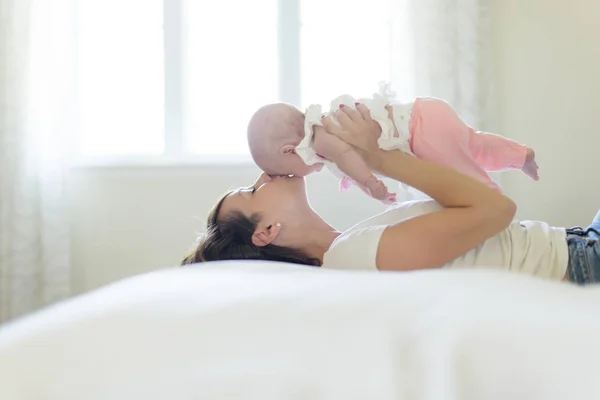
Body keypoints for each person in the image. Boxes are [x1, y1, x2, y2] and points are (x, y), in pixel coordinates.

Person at [183, 103, 600, 285]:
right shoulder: (351, 261)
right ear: (266, 231)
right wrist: (376, 157)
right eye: (250, 190)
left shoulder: (353, 247)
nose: (264, 174)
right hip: (584, 264)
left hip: (578, 246)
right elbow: (496, 208)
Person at [246, 85, 538, 204]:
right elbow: (355, 158)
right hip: (426, 112)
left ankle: (494, 206)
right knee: (472, 146)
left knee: (462, 180)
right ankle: (520, 155)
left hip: (419, 132)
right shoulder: (324, 123)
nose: (293, 176)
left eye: (286, 172)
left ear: (289, 150)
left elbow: (348, 156)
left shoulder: (318, 137)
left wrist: (370, 183)